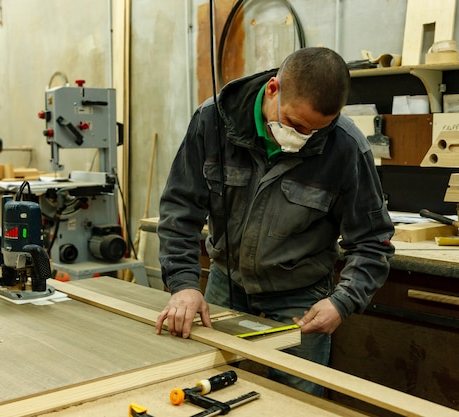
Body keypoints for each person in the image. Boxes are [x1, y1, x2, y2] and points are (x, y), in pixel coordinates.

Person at [154, 47, 394, 396]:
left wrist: (342, 302)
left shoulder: (345, 146)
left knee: (297, 402)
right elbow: (180, 208)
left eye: (318, 129)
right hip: (225, 285)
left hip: (299, 301)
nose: (304, 136)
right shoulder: (214, 121)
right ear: (272, 90)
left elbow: (373, 240)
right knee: (205, 390)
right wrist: (184, 285)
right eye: (297, 124)